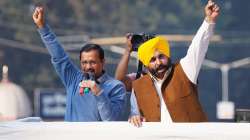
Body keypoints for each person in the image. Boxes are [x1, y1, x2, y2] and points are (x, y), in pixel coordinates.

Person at [129, 0, 220, 127]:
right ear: (145, 65)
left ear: (168, 55)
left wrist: (209, 21)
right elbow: (135, 115)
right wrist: (134, 118)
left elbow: (198, 47)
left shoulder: (185, 70)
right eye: (153, 60)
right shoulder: (138, 87)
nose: (158, 62)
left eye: (161, 56)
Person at [32, 7, 126, 121]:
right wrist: (43, 27)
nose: (88, 67)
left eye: (92, 62)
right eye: (84, 63)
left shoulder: (116, 87)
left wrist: (98, 92)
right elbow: (59, 56)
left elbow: (111, 120)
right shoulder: (73, 79)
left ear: (103, 62)